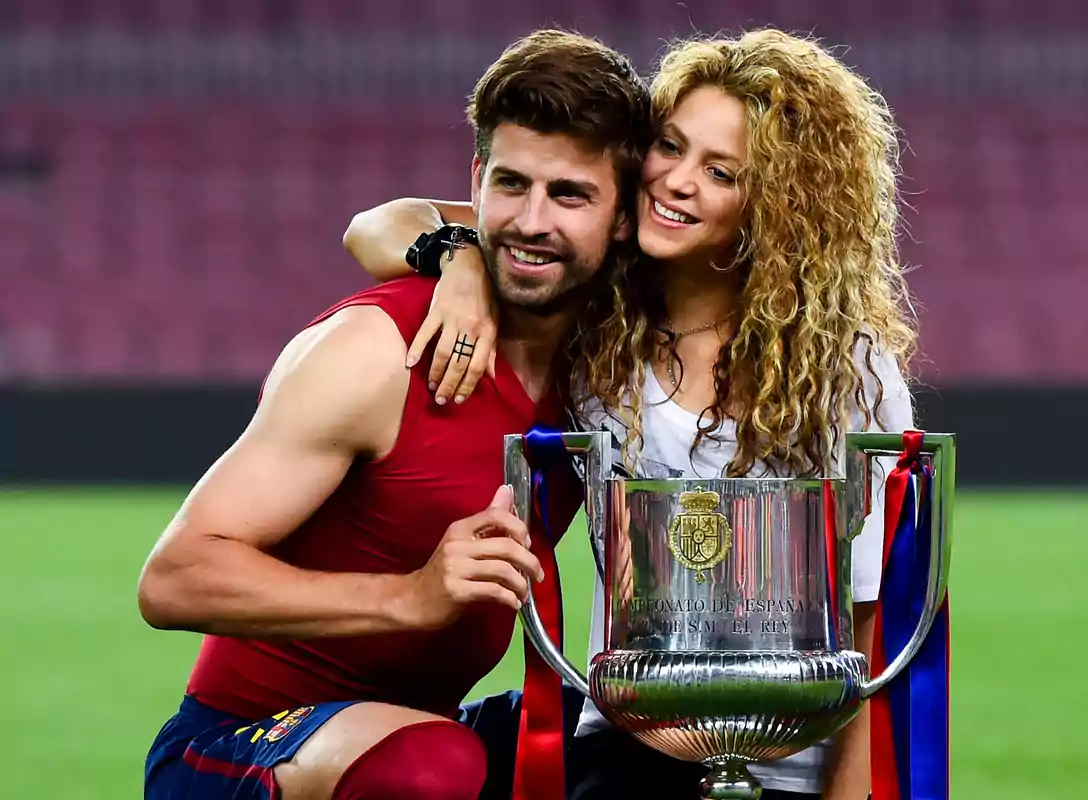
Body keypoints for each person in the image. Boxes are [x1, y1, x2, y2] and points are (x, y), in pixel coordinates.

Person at [342, 27, 917, 800]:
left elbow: (869, 621)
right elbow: (377, 225)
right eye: (670, 147)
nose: (676, 181)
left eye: (720, 171)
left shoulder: (844, 368)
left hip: (790, 765)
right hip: (625, 748)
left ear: (776, 206)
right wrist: (461, 259)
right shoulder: (599, 312)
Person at [136, 29, 651, 800]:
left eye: (570, 194)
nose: (532, 221)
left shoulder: (607, 356)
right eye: (510, 185)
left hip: (426, 729)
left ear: (621, 216)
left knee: (651, 742)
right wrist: (410, 595)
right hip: (242, 746)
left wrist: (459, 253)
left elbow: (389, 220)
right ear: (476, 180)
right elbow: (173, 579)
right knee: (433, 770)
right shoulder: (379, 351)